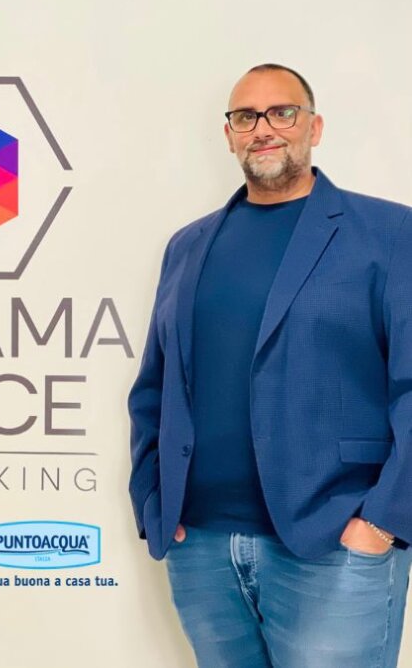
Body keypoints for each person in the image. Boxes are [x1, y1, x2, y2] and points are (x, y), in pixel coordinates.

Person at [128, 63, 412, 667]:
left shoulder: (391, 234)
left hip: (333, 547)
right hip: (202, 549)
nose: (263, 128)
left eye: (282, 112)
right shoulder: (188, 245)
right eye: (245, 116)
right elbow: (155, 386)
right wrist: (155, 500)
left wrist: (381, 523)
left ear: (315, 126)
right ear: (229, 134)